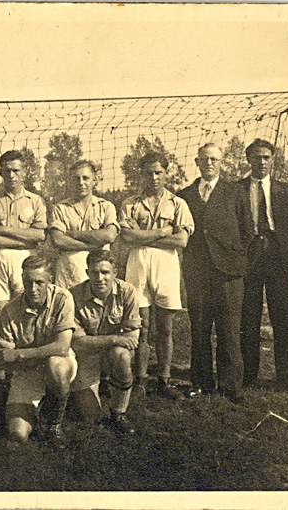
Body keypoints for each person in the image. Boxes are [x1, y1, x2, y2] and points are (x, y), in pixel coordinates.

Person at [176, 143, 254, 403]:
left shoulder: (235, 192)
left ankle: (231, 386)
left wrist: (232, 256)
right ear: (197, 162)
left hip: (229, 272)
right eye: (204, 159)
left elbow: (247, 231)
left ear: (222, 162)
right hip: (197, 271)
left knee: (229, 329)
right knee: (199, 329)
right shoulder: (185, 194)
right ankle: (201, 382)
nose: (209, 163)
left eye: (214, 159)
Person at [118, 152, 193, 400]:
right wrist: (163, 231)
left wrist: (145, 235)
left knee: (166, 327)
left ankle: (164, 379)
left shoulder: (177, 203)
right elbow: (128, 237)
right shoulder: (130, 203)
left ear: (166, 173)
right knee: (141, 326)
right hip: (137, 264)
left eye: (158, 172)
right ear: (141, 174)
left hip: (166, 266)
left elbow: (181, 240)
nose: (154, 177)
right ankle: (140, 379)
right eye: (149, 172)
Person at [0, 255, 78, 450]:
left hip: (58, 362)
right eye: (28, 282)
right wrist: (16, 358)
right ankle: (41, 405)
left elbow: (62, 347)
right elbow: (4, 358)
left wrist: (21, 354)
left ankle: (54, 425)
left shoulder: (63, 298)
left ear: (50, 279)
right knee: (17, 435)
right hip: (27, 373)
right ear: (22, 280)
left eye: (39, 282)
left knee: (56, 365)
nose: (33, 289)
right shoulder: (9, 310)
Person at [237, 139, 288, 389]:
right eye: (256, 157)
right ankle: (248, 375)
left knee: (282, 320)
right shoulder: (237, 189)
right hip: (249, 256)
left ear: (272, 160)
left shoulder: (287, 190)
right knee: (248, 319)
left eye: (266, 157)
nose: (261, 162)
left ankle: (286, 378)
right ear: (248, 160)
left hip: (279, 258)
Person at [69, 250, 141, 434]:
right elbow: (77, 343)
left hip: (111, 353)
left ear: (115, 273)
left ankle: (119, 412)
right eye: (94, 272)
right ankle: (82, 392)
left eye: (105, 272)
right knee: (92, 417)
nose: (100, 278)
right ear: (87, 273)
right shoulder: (74, 295)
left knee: (122, 355)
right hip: (85, 356)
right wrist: (115, 338)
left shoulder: (127, 292)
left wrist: (112, 342)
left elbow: (132, 340)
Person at [0, 150, 47, 314]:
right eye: (7, 171)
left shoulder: (36, 201)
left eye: (16, 170)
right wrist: (20, 241)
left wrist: (2, 230)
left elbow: (39, 235)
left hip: (25, 257)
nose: (11, 175)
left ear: (24, 171)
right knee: (0, 308)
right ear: (0, 172)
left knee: (26, 304)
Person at [48, 160, 119, 289]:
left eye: (85, 178)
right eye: (76, 179)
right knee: (68, 308)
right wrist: (96, 244)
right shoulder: (61, 208)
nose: (81, 183)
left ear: (95, 180)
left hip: (99, 274)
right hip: (69, 274)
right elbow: (58, 240)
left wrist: (73, 234)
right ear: (70, 181)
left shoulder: (106, 207)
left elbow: (109, 236)